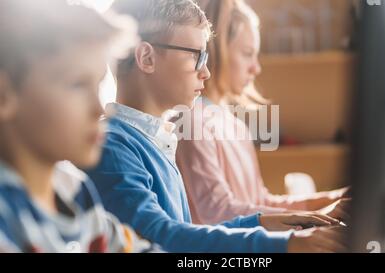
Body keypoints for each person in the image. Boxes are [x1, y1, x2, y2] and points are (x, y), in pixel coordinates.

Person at [85, 0, 347, 253]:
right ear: (147, 58)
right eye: (197, 56)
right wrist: (283, 245)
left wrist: (263, 222)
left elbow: (184, 232)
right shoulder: (113, 146)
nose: (206, 72)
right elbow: (162, 237)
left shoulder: (154, 141)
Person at [175, 0, 350, 225]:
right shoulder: (192, 122)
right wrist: (314, 216)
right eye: (247, 54)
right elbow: (216, 211)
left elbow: (259, 200)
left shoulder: (233, 124)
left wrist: (333, 199)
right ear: (217, 51)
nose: (256, 68)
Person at [0, 0, 156, 253]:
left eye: (97, 86)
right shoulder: (7, 219)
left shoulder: (73, 189)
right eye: (78, 85)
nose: (100, 109)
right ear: (5, 95)